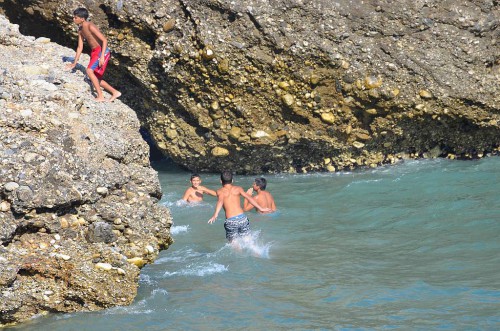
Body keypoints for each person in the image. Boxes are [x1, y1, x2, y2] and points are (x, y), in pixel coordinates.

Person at [66, 7, 121, 102]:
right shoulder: (80, 30)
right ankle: (115, 92)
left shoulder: (90, 26)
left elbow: (104, 40)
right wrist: (74, 63)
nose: (73, 19)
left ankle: (100, 96)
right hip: (94, 52)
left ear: (82, 19)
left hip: (101, 51)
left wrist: (102, 57)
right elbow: (80, 47)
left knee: (89, 71)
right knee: (95, 78)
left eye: (75, 17)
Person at [208, 171, 271, 242]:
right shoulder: (238, 188)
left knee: (234, 243)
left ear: (220, 181)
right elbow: (249, 198)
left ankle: (240, 252)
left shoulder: (220, 191)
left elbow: (220, 201)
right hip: (242, 218)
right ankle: (257, 252)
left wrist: (215, 214)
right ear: (232, 180)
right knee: (248, 241)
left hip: (231, 221)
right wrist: (261, 208)